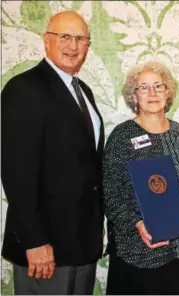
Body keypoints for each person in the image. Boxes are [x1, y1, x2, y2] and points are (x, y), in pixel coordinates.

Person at [1, 11, 104, 295]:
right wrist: (34, 241)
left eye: (81, 38)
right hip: (45, 248)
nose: (73, 45)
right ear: (47, 41)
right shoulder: (24, 89)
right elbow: (16, 172)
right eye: (65, 36)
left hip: (81, 245)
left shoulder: (83, 91)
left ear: (87, 45)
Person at [103, 61, 179, 295]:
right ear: (134, 97)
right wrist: (137, 222)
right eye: (143, 88)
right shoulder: (122, 136)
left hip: (177, 246)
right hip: (136, 249)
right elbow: (110, 192)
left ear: (168, 92)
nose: (152, 93)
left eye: (158, 86)